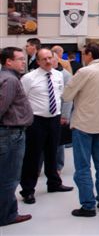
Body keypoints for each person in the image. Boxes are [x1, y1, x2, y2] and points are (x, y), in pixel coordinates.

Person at [63, 43, 99, 217]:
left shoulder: (84, 72)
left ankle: (88, 206)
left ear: (89, 54)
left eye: (84, 54)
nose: (83, 57)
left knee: (83, 167)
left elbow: (66, 95)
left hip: (84, 124)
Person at [19, 48, 73, 204]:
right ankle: (28, 190)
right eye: (44, 59)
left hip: (54, 119)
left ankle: (54, 183)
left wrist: (63, 115)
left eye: (50, 58)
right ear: (38, 61)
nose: (48, 61)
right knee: (33, 156)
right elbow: (22, 100)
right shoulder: (29, 78)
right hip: (36, 121)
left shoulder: (58, 75)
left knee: (52, 153)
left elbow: (60, 96)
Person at [0, 47, 33, 226]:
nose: (23, 62)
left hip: (10, 133)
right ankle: (6, 216)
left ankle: (8, 212)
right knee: (9, 178)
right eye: (19, 59)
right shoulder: (10, 80)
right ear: (8, 61)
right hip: (11, 134)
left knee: (7, 176)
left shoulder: (7, 77)